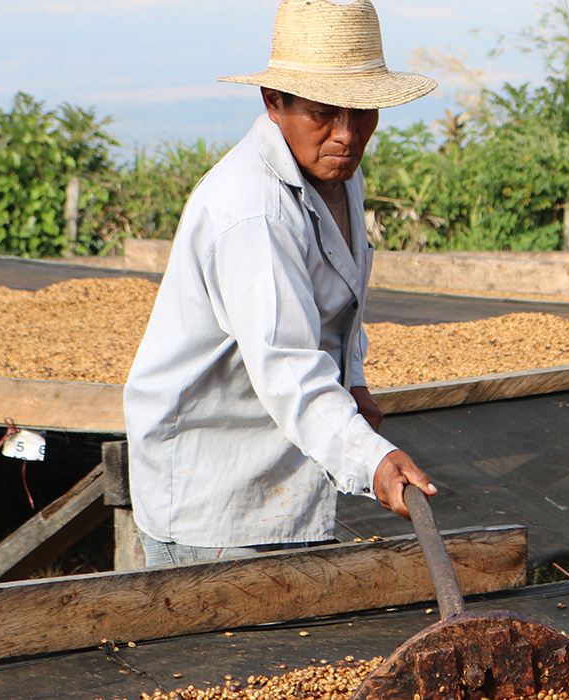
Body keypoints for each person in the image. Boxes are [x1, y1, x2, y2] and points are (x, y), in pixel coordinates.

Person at [123, 0, 437, 567]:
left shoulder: (337, 170)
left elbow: (338, 305)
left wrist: (354, 381)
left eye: (362, 111)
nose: (347, 134)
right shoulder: (254, 210)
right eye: (324, 113)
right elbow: (288, 364)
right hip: (215, 490)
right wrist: (372, 460)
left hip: (280, 468)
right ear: (275, 103)